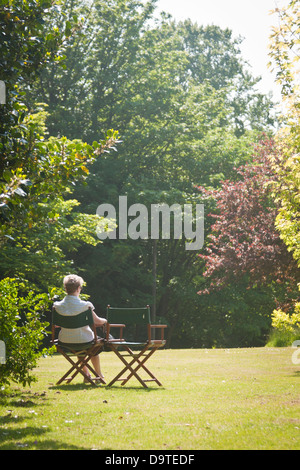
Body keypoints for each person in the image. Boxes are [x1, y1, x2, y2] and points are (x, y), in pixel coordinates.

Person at [53, 274, 107, 383]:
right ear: (78, 288)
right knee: (93, 347)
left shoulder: (57, 306)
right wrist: (105, 321)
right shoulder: (85, 305)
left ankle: (86, 375)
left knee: (80, 349)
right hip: (84, 339)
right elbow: (97, 322)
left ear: (65, 289)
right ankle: (99, 375)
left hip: (64, 340)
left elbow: (56, 325)